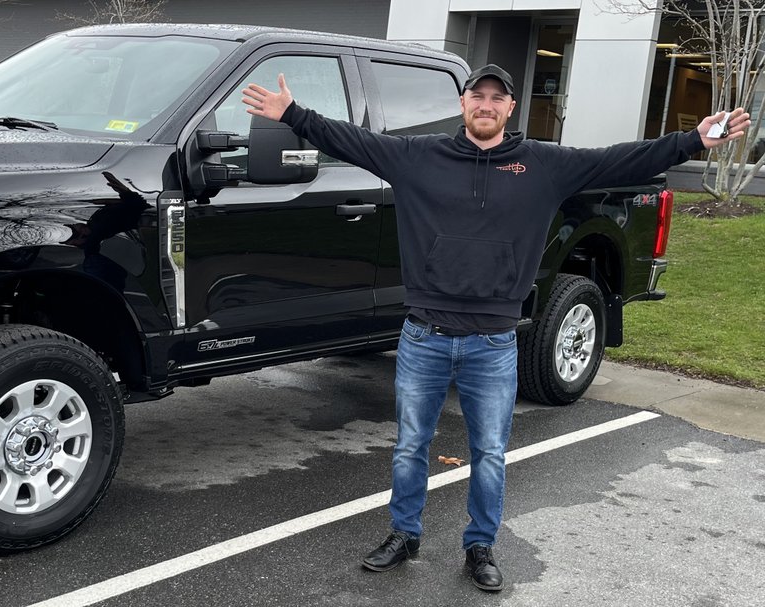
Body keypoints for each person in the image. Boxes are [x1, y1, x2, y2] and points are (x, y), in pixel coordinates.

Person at [241, 63, 749, 592]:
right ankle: (404, 534)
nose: (485, 104)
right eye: (476, 96)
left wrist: (692, 139)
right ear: (463, 105)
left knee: (488, 451)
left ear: (510, 108)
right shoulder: (416, 157)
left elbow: (619, 158)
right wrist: (293, 115)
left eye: (496, 98)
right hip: (424, 337)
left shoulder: (544, 165)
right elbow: (349, 140)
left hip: (493, 342)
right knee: (412, 445)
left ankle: (480, 544)